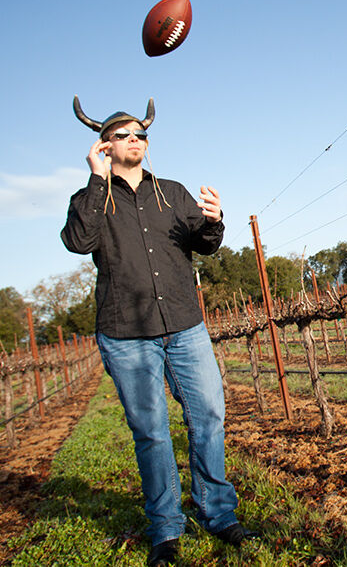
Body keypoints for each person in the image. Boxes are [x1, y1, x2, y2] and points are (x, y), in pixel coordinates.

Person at [61, 97, 257, 566]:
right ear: (105, 146)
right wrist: (95, 178)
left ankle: (218, 513)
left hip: (185, 327)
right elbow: (77, 242)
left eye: (141, 135)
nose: (136, 141)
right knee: (151, 433)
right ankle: (166, 529)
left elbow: (205, 245)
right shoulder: (91, 198)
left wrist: (214, 221)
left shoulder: (171, 192)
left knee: (209, 417)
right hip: (126, 333)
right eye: (124, 135)